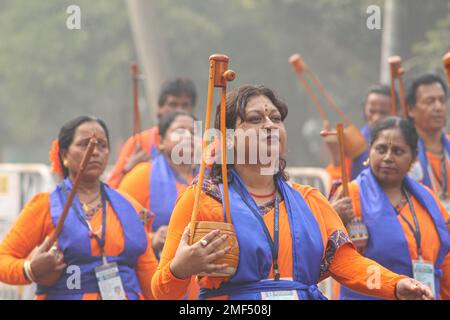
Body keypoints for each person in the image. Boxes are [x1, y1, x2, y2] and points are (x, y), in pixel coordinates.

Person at [151, 85, 434, 300]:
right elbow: (161, 291)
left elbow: (346, 263)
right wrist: (181, 268)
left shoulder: (310, 199)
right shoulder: (202, 199)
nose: (270, 125)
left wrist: (395, 284)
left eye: (276, 118)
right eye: (255, 119)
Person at [0, 116, 158, 299]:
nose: (96, 151)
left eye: (102, 145)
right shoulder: (45, 205)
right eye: (85, 144)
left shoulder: (128, 206)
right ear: (64, 155)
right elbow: (3, 258)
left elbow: (150, 276)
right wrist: (29, 270)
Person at [331, 116, 450, 299]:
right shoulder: (349, 194)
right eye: (381, 149)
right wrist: (333, 216)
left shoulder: (427, 198)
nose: (388, 157)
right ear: (370, 151)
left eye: (398, 151)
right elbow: (325, 253)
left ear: (413, 157)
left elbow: (445, 255)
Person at [119, 111, 199, 257]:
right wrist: (152, 238)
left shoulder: (210, 177)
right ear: (161, 141)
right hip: (155, 266)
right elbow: (119, 228)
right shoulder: (141, 175)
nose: (188, 137)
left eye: (194, 132)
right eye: (180, 131)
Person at [108, 78, 197, 188]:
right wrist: (128, 171)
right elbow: (111, 190)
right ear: (159, 108)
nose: (179, 110)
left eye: (185, 105)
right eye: (173, 104)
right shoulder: (138, 142)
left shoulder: (201, 145)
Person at [325, 84, 396, 183]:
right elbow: (338, 187)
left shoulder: (406, 141)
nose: (376, 117)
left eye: (383, 113)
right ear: (364, 109)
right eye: (372, 111)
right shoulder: (354, 143)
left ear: (397, 112)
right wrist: (337, 157)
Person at [406, 74, 450, 214]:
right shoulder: (404, 154)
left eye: (442, 101)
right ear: (411, 110)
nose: (438, 107)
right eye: (430, 101)